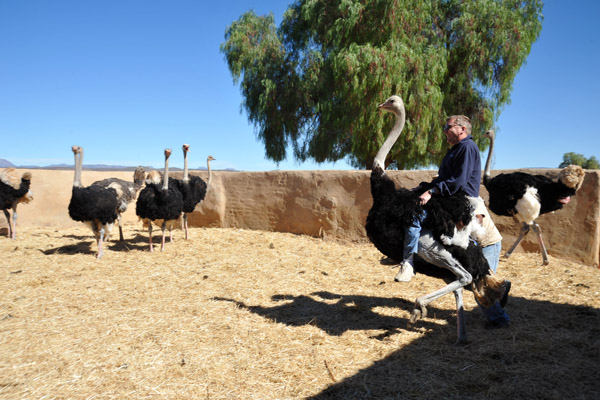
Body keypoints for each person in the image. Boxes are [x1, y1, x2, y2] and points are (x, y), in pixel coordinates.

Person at [395, 115, 482, 282]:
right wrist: (423, 188)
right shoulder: (456, 149)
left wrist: (432, 192)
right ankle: (401, 251)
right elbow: (444, 178)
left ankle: (408, 262)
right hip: (449, 196)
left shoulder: (467, 147)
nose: (444, 131)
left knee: (414, 215)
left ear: (462, 129)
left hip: (459, 201)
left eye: (448, 127)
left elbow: (458, 181)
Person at [471, 198, 511, 329]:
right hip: (473, 247)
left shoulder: (472, 198)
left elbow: (478, 218)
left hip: (488, 245)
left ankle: (500, 320)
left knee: (483, 287)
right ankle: (501, 287)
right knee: (473, 283)